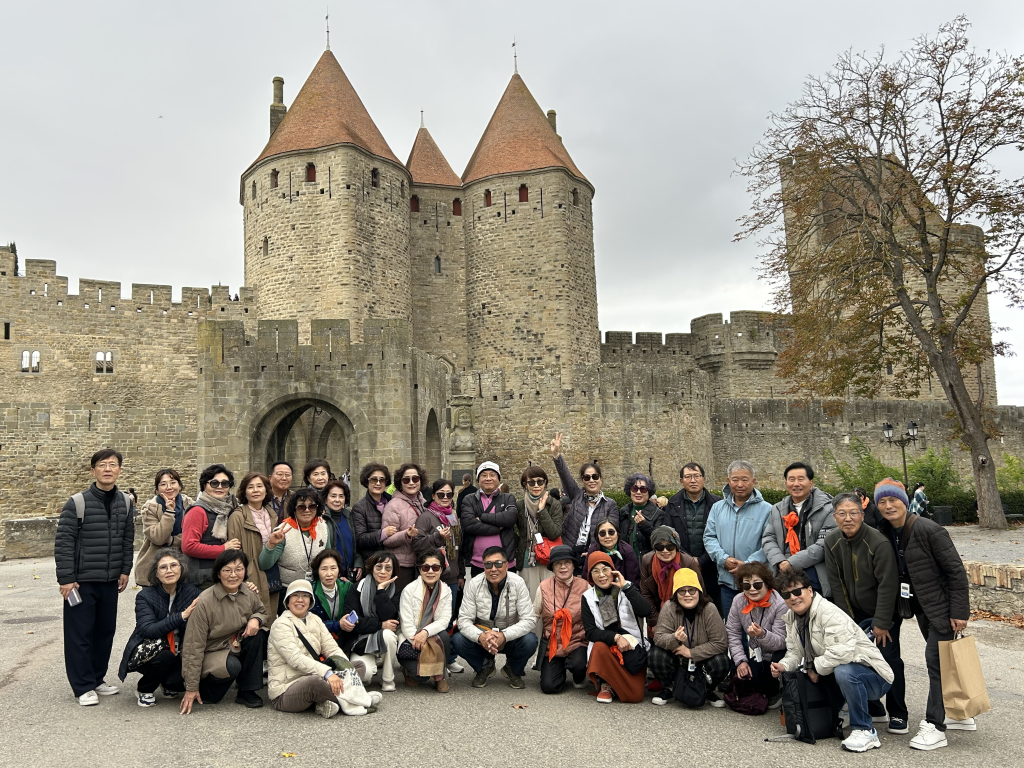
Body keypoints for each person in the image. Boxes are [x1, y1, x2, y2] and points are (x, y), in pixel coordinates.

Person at [874, 478, 973, 750]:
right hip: (915, 605)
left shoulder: (930, 529)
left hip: (939, 607)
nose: (888, 505)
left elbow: (956, 572)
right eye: (882, 501)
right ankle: (959, 714)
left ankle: (935, 725)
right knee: (944, 661)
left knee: (936, 661)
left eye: (893, 500)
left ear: (905, 502)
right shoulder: (884, 530)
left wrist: (959, 612)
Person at [770, 568, 894, 753]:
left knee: (843, 671)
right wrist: (784, 665)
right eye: (787, 595)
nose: (793, 598)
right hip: (838, 669)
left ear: (810, 590)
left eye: (797, 591)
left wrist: (814, 668)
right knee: (829, 671)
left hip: (876, 676)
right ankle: (841, 713)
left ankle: (865, 730)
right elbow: (795, 652)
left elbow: (841, 653)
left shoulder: (828, 612)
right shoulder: (791, 618)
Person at [55, 448, 135, 705]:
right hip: (81, 582)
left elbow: (127, 540)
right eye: (102, 465)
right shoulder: (77, 503)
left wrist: (125, 570)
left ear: (119, 469)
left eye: (112, 464)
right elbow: (64, 543)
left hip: (110, 581)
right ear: (93, 471)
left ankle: (96, 678)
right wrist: (66, 579)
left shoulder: (126, 503)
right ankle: (82, 686)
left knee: (104, 632)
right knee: (79, 635)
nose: (107, 469)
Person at [824, 492, 904, 732]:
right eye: (842, 513)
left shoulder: (878, 542)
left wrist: (881, 622)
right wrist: (847, 622)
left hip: (883, 613)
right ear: (835, 517)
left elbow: (888, 585)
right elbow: (836, 583)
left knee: (888, 660)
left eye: (853, 513)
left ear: (862, 514)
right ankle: (874, 707)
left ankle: (899, 713)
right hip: (853, 614)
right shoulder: (832, 541)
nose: (848, 518)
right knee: (858, 660)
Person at [268, 579, 381, 717]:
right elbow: (295, 659)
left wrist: (346, 669)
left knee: (356, 667)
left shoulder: (315, 619)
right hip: (286, 689)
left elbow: (331, 648)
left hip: (314, 674)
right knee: (314, 683)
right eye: (295, 595)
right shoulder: (280, 624)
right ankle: (360, 699)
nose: (300, 600)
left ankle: (323, 703)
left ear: (310, 600)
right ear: (287, 600)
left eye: (305, 595)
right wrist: (327, 673)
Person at [180, 550, 269, 712]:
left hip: (234, 645)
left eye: (239, 569)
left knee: (259, 635)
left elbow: (262, 612)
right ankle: (207, 691)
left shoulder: (248, 592)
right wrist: (191, 686)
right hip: (212, 652)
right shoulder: (205, 601)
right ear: (218, 573)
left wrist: (256, 619)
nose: (233, 575)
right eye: (227, 570)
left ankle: (247, 690)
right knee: (231, 666)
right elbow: (193, 645)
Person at [118, 549, 201, 706]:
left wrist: (245, 587)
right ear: (156, 574)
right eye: (163, 567)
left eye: (173, 565)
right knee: (165, 657)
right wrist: (182, 616)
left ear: (181, 568)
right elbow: (148, 629)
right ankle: (144, 689)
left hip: (178, 652)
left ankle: (165, 682)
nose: (169, 570)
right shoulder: (145, 596)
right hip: (150, 652)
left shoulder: (190, 591)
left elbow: (212, 600)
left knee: (177, 684)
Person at [454, 546, 538, 689]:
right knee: (458, 640)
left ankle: (513, 669)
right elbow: (463, 620)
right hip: (484, 634)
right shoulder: (475, 583)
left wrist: (504, 635)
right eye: (488, 564)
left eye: (498, 564)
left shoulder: (517, 582)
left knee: (530, 640)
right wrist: (481, 636)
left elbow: (529, 619)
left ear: (506, 565)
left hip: (510, 634)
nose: (493, 569)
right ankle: (484, 666)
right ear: (483, 566)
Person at [649, 567, 730, 707]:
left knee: (721, 661)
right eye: (682, 591)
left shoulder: (709, 608)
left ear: (699, 591)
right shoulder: (669, 607)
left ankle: (707, 689)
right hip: (677, 660)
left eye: (692, 590)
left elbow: (720, 642)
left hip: (703, 661)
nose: (687, 595)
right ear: (676, 593)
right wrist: (675, 638)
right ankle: (669, 687)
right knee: (655, 655)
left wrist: (692, 653)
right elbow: (659, 638)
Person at [581, 551, 651, 703]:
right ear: (590, 576)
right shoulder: (587, 597)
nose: (601, 575)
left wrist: (626, 588)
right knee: (598, 646)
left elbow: (646, 611)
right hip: (608, 646)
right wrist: (616, 637)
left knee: (635, 697)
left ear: (613, 571)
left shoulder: (627, 587)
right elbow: (590, 632)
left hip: (632, 647)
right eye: (595, 571)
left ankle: (618, 685)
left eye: (605, 569)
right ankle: (606, 684)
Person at [703, 460, 772, 615]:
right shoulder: (717, 508)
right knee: (731, 626)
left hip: (757, 584)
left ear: (753, 481)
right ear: (728, 481)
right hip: (727, 582)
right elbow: (709, 537)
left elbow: (769, 543)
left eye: (745, 479)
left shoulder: (767, 510)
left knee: (759, 626)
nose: (740, 484)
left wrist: (747, 565)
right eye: (735, 479)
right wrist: (724, 559)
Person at [762, 462, 836, 597]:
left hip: (815, 574)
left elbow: (824, 544)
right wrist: (780, 562)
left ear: (811, 483)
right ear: (786, 483)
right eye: (791, 479)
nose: (796, 484)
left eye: (801, 479)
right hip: (783, 573)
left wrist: (791, 563)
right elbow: (768, 538)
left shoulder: (828, 508)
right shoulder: (777, 509)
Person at [414, 478, 465, 673]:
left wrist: (461, 573)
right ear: (433, 496)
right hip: (432, 577)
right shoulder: (426, 517)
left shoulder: (453, 517)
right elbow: (417, 545)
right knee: (431, 619)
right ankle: (432, 658)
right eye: (441, 494)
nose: (445, 497)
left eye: (449, 494)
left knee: (448, 618)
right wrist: (437, 537)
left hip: (451, 576)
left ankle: (449, 658)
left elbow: (459, 549)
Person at [724, 561, 788, 708]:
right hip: (757, 653)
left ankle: (778, 689)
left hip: (778, 652)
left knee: (769, 671)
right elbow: (732, 633)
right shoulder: (738, 600)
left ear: (767, 583)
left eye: (757, 584)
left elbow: (781, 642)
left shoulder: (780, 604)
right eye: (746, 585)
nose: (752, 589)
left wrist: (762, 634)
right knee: (748, 676)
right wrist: (741, 661)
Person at [550, 432, 622, 562]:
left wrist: (594, 551)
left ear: (600, 479)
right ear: (583, 480)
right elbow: (565, 477)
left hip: (595, 554)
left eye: (595, 477)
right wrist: (556, 455)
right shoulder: (577, 496)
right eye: (587, 477)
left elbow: (611, 533)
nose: (591, 480)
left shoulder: (610, 504)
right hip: (571, 551)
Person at [663, 462, 722, 608]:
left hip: (712, 566)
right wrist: (689, 560)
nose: (693, 480)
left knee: (712, 608)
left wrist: (702, 561)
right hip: (682, 566)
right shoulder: (673, 503)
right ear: (681, 481)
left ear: (704, 479)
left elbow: (721, 536)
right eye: (688, 477)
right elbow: (669, 534)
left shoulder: (718, 504)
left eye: (697, 476)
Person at [533, 545, 589, 693]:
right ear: (552, 567)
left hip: (577, 641)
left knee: (578, 664)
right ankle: (559, 670)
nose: (563, 566)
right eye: (558, 563)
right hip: (552, 643)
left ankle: (579, 676)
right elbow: (534, 614)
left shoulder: (585, 586)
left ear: (573, 565)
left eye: (567, 562)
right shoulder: (543, 587)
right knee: (549, 687)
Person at [258, 488, 330, 603]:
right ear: (294, 509)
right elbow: (264, 565)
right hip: (288, 590)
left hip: (315, 588)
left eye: (312, 506)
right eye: (301, 507)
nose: (307, 510)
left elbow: (328, 557)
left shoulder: (323, 526)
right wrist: (271, 544)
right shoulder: (283, 531)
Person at [398, 550, 453, 692]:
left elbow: (444, 620)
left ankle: (440, 676)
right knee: (420, 678)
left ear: (441, 570)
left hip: (431, 634)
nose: (430, 571)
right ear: (419, 570)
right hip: (412, 637)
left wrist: (425, 632)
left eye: (435, 567)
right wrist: (418, 639)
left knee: (444, 637)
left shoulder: (446, 590)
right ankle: (408, 671)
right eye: (426, 567)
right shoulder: (409, 590)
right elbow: (406, 624)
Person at [348, 551, 401, 692]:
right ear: (371, 568)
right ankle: (374, 662)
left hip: (384, 638)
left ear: (393, 571)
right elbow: (354, 622)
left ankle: (388, 679)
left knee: (388, 635)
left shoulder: (396, 591)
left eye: (388, 568)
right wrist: (380, 625)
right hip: (362, 641)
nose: (383, 571)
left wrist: (381, 591)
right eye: (379, 567)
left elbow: (390, 618)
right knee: (363, 677)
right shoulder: (357, 588)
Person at [181, 464, 242, 587]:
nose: (220, 487)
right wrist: (223, 549)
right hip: (203, 580)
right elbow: (188, 546)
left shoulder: (230, 509)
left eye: (225, 483)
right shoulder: (197, 511)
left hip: (224, 576)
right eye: (214, 483)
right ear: (205, 485)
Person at [227, 471, 277, 619]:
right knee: (254, 616)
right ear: (244, 491)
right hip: (251, 573)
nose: (255, 490)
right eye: (250, 487)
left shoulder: (271, 514)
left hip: (272, 573)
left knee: (271, 615)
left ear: (266, 490)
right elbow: (234, 552)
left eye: (259, 486)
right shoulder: (238, 516)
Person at [639, 526, 705, 636]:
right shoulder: (647, 561)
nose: (665, 551)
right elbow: (646, 594)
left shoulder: (687, 562)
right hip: (657, 612)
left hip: (685, 612)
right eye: (659, 547)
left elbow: (700, 592)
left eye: (670, 546)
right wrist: (654, 622)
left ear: (676, 547)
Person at [135, 468, 194, 587]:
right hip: (154, 565)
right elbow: (158, 538)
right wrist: (169, 512)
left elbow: (194, 536)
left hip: (185, 565)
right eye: (163, 484)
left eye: (173, 483)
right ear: (157, 489)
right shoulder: (150, 508)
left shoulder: (190, 505)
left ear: (179, 486)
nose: (169, 487)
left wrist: (172, 540)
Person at [460, 461, 519, 575]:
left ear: (498, 479)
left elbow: (511, 518)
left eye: (492, 475)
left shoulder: (507, 498)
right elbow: (469, 524)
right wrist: (498, 528)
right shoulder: (469, 499)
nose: (488, 478)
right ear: (478, 480)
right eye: (484, 475)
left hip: (505, 562)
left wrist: (482, 517)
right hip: (479, 563)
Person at [516, 466, 564, 600]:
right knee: (530, 599)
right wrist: (520, 544)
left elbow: (554, 533)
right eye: (531, 482)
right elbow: (512, 529)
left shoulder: (553, 504)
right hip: (528, 557)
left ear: (545, 483)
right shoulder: (520, 505)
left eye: (540, 481)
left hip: (548, 556)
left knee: (550, 598)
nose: (536, 485)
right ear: (525, 484)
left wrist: (542, 511)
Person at [382, 463, 429, 592]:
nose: (411, 482)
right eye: (406, 480)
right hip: (402, 567)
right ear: (400, 482)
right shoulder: (394, 506)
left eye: (415, 478)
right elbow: (386, 540)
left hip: (421, 563)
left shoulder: (423, 502)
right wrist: (406, 534)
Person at [309, 548, 360, 649]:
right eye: (324, 569)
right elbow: (310, 624)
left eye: (333, 568)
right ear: (317, 571)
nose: (329, 574)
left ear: (339, 569)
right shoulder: (310, 591)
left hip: (345, 640)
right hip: (318, 641)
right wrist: (337, 625)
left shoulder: (348, 587)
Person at [322, 479, 363, 581]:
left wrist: (358, 563)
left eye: (341, 496)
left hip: (350, 574)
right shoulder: (321, 518)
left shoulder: (348, 516)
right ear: (325, 499)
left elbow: (354, 546)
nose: (337, 500)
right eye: (333, 496)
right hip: (331, 575)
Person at [352, 463, 392, 564]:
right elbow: (360, 539)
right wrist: (382, 534)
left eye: (382, 480)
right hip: (372, 561)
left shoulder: (392, 502)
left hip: (392, 560)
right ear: (367, 482)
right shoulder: (359, 507)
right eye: (374, 480)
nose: (378, 483)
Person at [587, 518, 640, 583]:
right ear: (597, 536)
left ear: (617, 534)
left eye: (611, 532)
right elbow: (587, 578)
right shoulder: (592, 551)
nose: (607, 536)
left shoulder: (627, 550)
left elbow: (633, 580)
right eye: (602, 533)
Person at [621, 472, 662, 556]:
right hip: (626, 561)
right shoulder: (624, 512)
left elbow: (660, 540)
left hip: (647, 561)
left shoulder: (659, 514)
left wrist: (644, 525)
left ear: (649, 492)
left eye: (643, 489)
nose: (638, 492)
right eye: (634, 488)